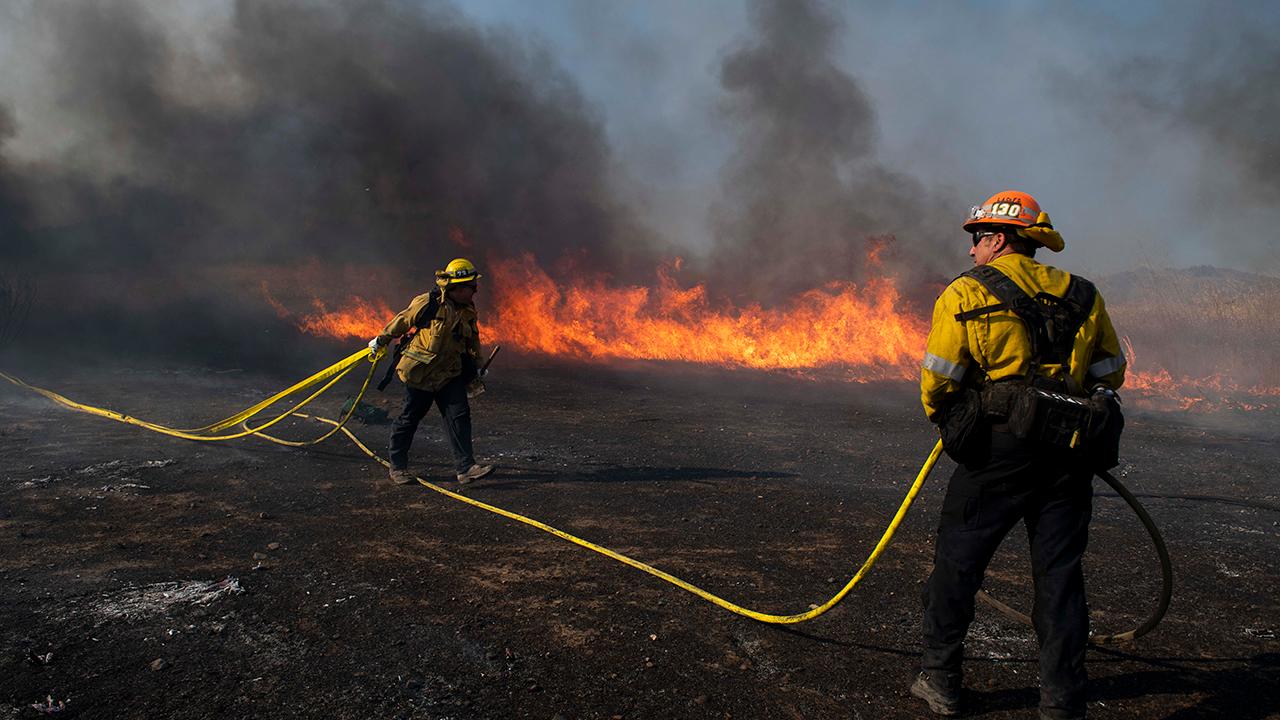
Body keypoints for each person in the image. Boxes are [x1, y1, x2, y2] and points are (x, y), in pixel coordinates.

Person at [913, 191, 1127, 720]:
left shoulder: (964, 293)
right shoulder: (1084, 293)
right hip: (1070, 451)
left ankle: (940, 679)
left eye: (977, 238)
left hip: (998, 449)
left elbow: (940, 379)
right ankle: (1062, 702)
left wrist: (953, 421)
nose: (971, 252)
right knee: (1059, 575)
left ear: (1000, 238)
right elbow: (1110, 373)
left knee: (958, 563)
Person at [369, 258, 495, 487]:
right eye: (471, 287)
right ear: (456, 287)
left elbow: (472, 339)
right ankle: (398, 467)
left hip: (450, 373)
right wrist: (382, 340)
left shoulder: (467, 310)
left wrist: (477, 364)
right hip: (422, 374)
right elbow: (403, 320)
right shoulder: (429, 302)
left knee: (459, 418)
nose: (474, 291)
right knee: (410, 418)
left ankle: (466, 468)